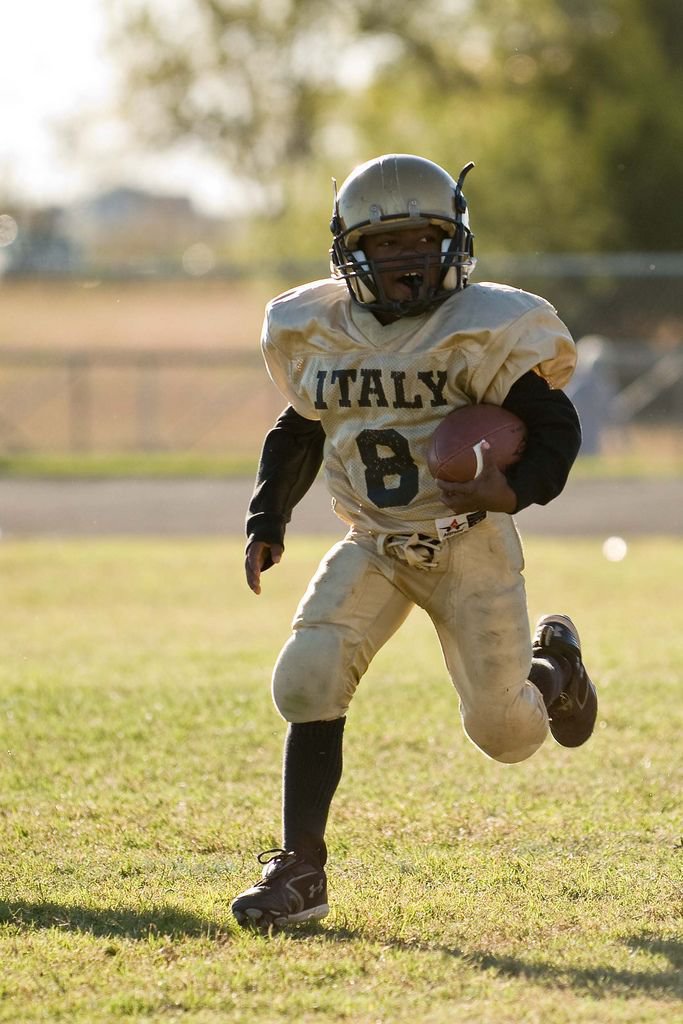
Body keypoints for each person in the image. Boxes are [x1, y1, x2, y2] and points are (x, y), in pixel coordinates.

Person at [230, 154, 597, 929]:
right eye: (385, 244)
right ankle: (301, 870)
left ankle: (552, 669)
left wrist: (514, 488)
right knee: (306, 676)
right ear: (349, 253)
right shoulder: (316, 327)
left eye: (420, 241)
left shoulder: (484, 329)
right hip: (373, 541)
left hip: (468, 544)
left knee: (503, 733)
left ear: (453, 244)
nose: (405, 259)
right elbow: (300, 428)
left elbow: (557, 427)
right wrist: (269, 519)